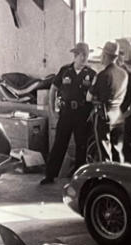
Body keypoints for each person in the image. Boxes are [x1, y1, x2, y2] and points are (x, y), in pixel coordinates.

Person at [40, 42, 96, 185]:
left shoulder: (91, 74)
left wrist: (92, 113)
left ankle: (79, 178)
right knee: (59, 144)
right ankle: (50, 175)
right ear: (75, 55)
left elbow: (96, 96)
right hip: (66, 114)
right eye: (81, 55)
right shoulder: (65, 70)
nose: (84, 58)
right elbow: (53, 89)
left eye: (86, 55)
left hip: (83, 115)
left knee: (81, 147)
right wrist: (52, 110)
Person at [88, 41, 128, 163]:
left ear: (105, 56)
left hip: (104, 116)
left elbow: (89, 97)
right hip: (119, 116)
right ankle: (119, 178)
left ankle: (105, 180)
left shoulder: (102, 75)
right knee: (117, 151)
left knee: (104, 153)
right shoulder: (124, 73)